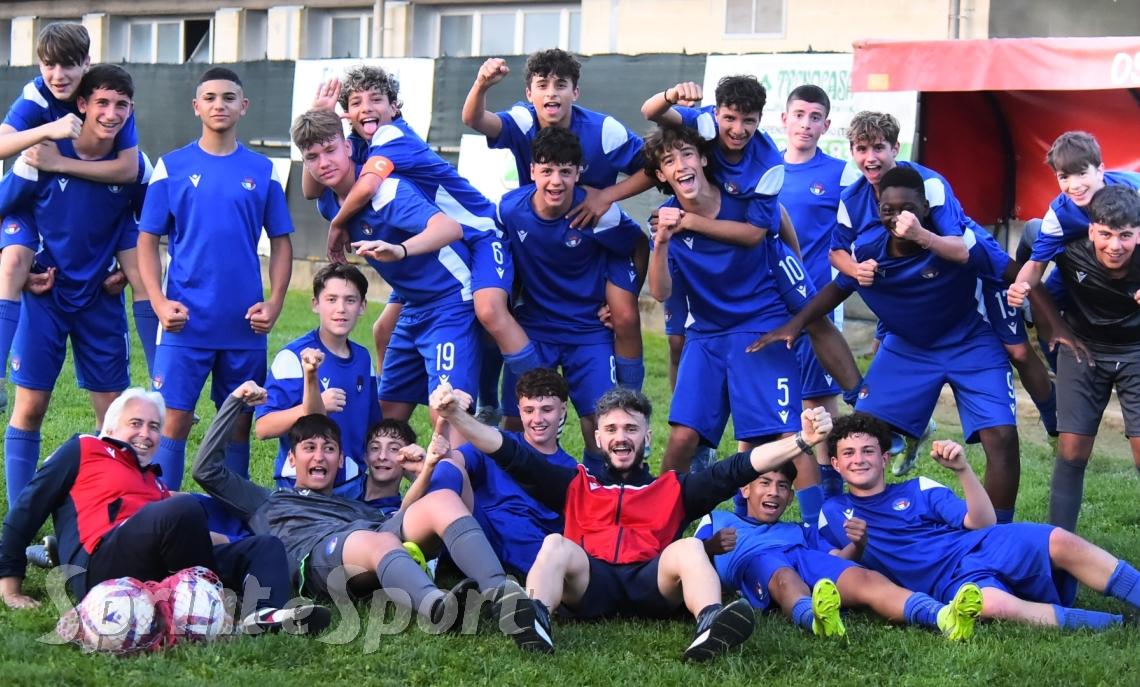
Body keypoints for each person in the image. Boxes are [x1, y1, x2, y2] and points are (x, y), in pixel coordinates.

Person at [433, 381, 833, 660]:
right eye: (611, 429)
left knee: (690, 547)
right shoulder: (576, 483)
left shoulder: (673, 488)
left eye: (630, 428)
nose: (620, 437)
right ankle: (535, 619)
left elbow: (738, 468)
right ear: (599, 439)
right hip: (590, 585)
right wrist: (457, 418)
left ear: (648, 436)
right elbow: (507, 452)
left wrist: (802, 442)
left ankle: (710, 623)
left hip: (652, 585)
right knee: (555, 544)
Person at [753, 165, 1024, 522]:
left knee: (1003, 438)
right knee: (862, 435)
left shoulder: (961, 239)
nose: (899, 218)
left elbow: (1014, 272)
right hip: (908, 346)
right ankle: (867, 523)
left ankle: (997, 535)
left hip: (969, 340)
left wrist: (1049, 318)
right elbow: (836, 287)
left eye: (908, 209)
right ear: (877, 206)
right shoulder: (867, 248)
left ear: (926, 208)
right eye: (888, 210)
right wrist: (795, 324)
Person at [192, 362, 519, 631]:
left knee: (441, 501)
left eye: (329, 449)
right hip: (317, 555)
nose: (319, 456)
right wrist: (235, 402)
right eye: (309, 448)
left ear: (340, 459)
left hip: (367, 538)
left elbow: (398, 518)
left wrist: (427, 468)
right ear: (292, 459)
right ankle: (437, 608)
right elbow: (205, 469)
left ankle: (502, 592)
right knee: (379, 541)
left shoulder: (354, 502)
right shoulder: (267, 501)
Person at [828, 110, 1056, 480]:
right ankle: (907, 431)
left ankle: (1053, 419)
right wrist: (856, 271)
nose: (871, 158)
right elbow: (836, 251)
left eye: (879, 148)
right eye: (861, 149)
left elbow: (960, 249)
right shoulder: (853, 196)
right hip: (912, 292)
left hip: (973, 273)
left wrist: (920, 235)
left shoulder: (929, 184)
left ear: (895, 148)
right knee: (885, 352)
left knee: (1016, 349)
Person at [0, 387, 329, 635]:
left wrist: (239, 549)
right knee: (184, 507)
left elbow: (184, 533)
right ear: (112, 428)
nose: (146, 434)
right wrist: (9, 586)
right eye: (136, 424)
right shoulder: (85, 449)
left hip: (159, 563)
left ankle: (263, 616)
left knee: (265, 544)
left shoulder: (152, 480)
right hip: (102, 567)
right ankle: (205, 605)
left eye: (154, 427)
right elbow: (26, 511)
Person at [304, 66, 533, 418]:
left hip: (482, 231)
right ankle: (395, 392)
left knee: (487, 310)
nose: (366, 108)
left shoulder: (390, 137)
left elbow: (368, 187)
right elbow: (311, 188)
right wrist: (319, 117)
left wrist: (338, 225)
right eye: (356, 102)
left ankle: (533, 392)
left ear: (394, 107)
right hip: (430, 262)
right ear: (345, 114)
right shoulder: (359, 151)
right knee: (383, 328)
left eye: (376, 100)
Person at [643, 123, 858, 479]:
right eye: (669, 160)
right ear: (661, 174)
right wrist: (662, 241)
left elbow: (778, 217)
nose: (680, 165)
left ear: (704, 159)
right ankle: (658, 515)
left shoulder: (741, 195)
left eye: (687, 154)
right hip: (709, 331)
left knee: (785, 436)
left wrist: (794, 259)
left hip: (761, 322)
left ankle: (816, 520)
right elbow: (661, 292)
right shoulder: (664, 220)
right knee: (682, 437)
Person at [820, 413, 1140, 631]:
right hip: (946, 582)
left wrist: (962, 470)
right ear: (835, 463)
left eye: (868, 451)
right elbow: (833, 565)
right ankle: (1116, 625)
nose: (858, 459)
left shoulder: (919, 488)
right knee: (994, 606)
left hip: (979, 544)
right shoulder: (833, 510)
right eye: (848, 453)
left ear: (885, 458)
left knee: (1061, 540)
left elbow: (982, 522)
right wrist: (857, 546)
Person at [462, 48, 650, 400]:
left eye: (561, 85)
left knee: (623, 316)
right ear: (529, 94)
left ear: (575, 92)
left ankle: (629, 408)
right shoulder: (521, 123)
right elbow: (475, 119)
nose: (551, 93)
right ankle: (492, 402)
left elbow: (653, 168)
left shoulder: (604, 130)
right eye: (542, 85)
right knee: (491, 310)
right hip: (533, 233)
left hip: (596, 233)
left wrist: (606, 195)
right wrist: (482, 83)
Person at [138, 67, 294, 489]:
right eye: (209, 97)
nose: (218, 105)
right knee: (175, 419)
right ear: (196, 107)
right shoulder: (172, 167)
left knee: (238, 423)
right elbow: (147, 240)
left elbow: (281, 242)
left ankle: (232, 519)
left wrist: (275, 303)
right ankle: (163, 511)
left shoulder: (264, 171)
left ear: (243, 107)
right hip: (185, 321)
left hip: (244, 324)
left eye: (228, 97)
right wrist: (157, 301)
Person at [0, 65, 149, 505]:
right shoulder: (39, 154)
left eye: (120, 105)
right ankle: (18, 519)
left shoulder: (135, 166)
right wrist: (18, 264)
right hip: (46, 294)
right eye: (101, 102)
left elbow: (154, 223)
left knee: (115, 415)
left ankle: (114, 514)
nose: (110, 113)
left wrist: (129, 265)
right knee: (29, 409)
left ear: (131, 111)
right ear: (81, 106)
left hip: (100, 299)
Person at [0, 23, 157, 410]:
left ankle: (162, 380)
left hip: (101, 245)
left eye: (69, 64)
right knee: (14, 261)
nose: (58, 75)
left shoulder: (111, 96)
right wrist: (47, 134)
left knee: (143, 267)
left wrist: (62, 162)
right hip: (37, 230)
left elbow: (128, 170)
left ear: (86, 64)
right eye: (49, 65)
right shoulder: (36, 99)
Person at [292, 107, 478, 429]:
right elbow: (311, 188)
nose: (324, 163)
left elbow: (450, 229)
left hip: (451, 298)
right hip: (413, 301)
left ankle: (463, 475)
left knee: (446, 414)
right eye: (313, 157)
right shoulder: (327, 203)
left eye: (331, 150)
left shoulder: (385, 191)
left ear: (348, 147)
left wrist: (400, 250)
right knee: (386, 418)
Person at [695, 462, 982, 640]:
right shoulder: (719, 520)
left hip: (800, 553)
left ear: (791, 497)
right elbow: (691, 560)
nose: (774, 492)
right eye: (765, 484)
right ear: (745, 490)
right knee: (784, 577)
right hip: (756, 562)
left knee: (866, 578)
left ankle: (943, 617)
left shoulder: (800, 530)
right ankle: (816, 621)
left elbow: (836, 561)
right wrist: (711, 547)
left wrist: (857, 545)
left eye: (783, 486)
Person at [496, 127, 642, 462]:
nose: (556, 181)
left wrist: (625, 293)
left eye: (565, 171)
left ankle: (601, 494)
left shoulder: (596, 212)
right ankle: (515, 499)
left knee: (599, 425)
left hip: (587, 331)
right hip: (535, 328)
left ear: (579, 173)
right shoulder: (509, 210)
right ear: (532, 171)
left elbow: (637, 243)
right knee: (516, 421)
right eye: (546, 170)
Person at [1010, 186, 1140, 532]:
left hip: (1136, 353)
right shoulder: (1065, 245)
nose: (1115, 245)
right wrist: (1054, 326)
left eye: (1126, 235)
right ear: (1091, 230)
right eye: (1106, 234)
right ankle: (1060, 549)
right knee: (1072, 451)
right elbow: (1031, 263)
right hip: (1083, 348)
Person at [775, 84, 861, 497]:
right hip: (770, 304)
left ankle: (830, 492)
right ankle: (759, 486)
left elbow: (863, 226)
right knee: (772, 402)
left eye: (815, 118)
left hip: (821, 302)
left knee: (819, 405)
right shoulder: (766, 169)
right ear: (784, 119)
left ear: (826, 125)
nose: (805, 125)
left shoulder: (842, 173)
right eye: (799, 115)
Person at [413, 368, 578, 578]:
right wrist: (444, 421)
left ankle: (481, 577)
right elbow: (448, 461)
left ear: (563, 410)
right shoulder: (496, 442)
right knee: (448, 469)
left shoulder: (571, 470)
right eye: (529, 411)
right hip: (481, 533)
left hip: (527, 549)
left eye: (546, 409)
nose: (537, 419)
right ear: (519, 410)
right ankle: (419, 547)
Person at [254, 263, 380, 496]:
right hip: (300, 489)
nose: (340, 309)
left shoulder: (363, 358)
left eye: (350, 300)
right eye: (331, 299)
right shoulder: (292, 358)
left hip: (354, 486)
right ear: (315, 304)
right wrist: (313, 407)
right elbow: (263, 427)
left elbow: (372, 427)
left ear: (362, 306)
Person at [1011, 131, 1140, 295]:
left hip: (1128, 260)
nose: (1074, 186)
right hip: (1079, 259)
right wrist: (1019, 288)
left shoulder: (1135, 189)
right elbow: (1037, 264)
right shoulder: (1059, 215)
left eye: (1082, 173)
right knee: (1051, 302)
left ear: (1100, 170)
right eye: (1064, 177)